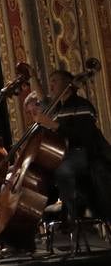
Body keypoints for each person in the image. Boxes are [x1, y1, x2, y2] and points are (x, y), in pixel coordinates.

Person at [34, 69, 111, 224]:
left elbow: (84, 137)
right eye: (50, 82)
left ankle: (74, 214)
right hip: (67, 155)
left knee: (63, 169)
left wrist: (54, 125)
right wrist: (32, 74)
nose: (51, 85)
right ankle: (53, 212)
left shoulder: (82, 105)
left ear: (67, 84)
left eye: (55, 81)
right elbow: (43, 99)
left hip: (86, 153)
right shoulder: (57, 109)